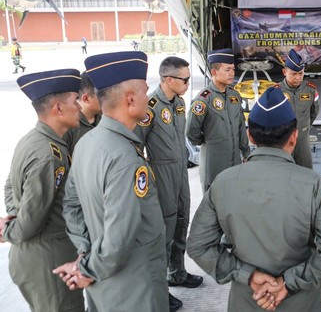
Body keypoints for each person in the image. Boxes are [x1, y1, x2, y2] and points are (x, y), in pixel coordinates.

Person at [187, 87, 321, 311]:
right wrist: (287, 283)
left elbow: (198, 245)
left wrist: (247, 275)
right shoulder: (315, 186)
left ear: (250, 136)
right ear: (294, 137)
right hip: (301, 304)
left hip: (246, 301)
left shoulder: (223, 183)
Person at [53, 51, 169, 312]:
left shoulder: (87, 143)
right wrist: (86, 268)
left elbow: (71, 206)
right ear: (130, 99)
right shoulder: (125, 157)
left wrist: (84, 252)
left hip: (103, 282)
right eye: (144, 92)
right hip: (135, 286)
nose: (148, 98)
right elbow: (119, 237)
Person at [0, 69, 85, 311]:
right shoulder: (49, 156)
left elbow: (10, 188)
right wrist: (10, 229)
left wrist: (14, 216)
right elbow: (30, 223)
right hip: (49, 263)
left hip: (33, 258)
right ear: (58, 108)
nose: (79, 106)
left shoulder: (33, 140)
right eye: (74, 101)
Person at [135, 56, 202, 311]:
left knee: (181, 222)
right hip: (160, 174)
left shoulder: (179, 103)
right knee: (163, 233)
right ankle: (159, 290)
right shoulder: (149, 107)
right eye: (184, 79)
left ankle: (177, 272)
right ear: (169, 79)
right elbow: (135, 145)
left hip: (180, 172)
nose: (187, 83)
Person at [187, 48, 250, 192]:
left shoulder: (234, 95)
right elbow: (191, 131)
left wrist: (246, 153)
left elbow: (241, 125)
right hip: (214, 164)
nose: (232, 73)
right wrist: (207, 141)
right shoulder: (203, 99)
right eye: (227, 70)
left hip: (235, 162)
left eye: (233, 69)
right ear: (214, 72)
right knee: (213, 205)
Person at [275, 49, 319, 169]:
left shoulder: (310, 89)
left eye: (301, 73)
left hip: (302, 139)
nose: (298, 78)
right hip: (283, 141)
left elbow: (314, 112)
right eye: (293, 74)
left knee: (306, 171)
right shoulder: (276, 91)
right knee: (283, 172)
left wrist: (304, 126)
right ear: (284, 72)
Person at [64, 71, 102, 155]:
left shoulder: (107, 119)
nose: (107, 98)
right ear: (86, 99)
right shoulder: (68, 126)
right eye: (102, 95)